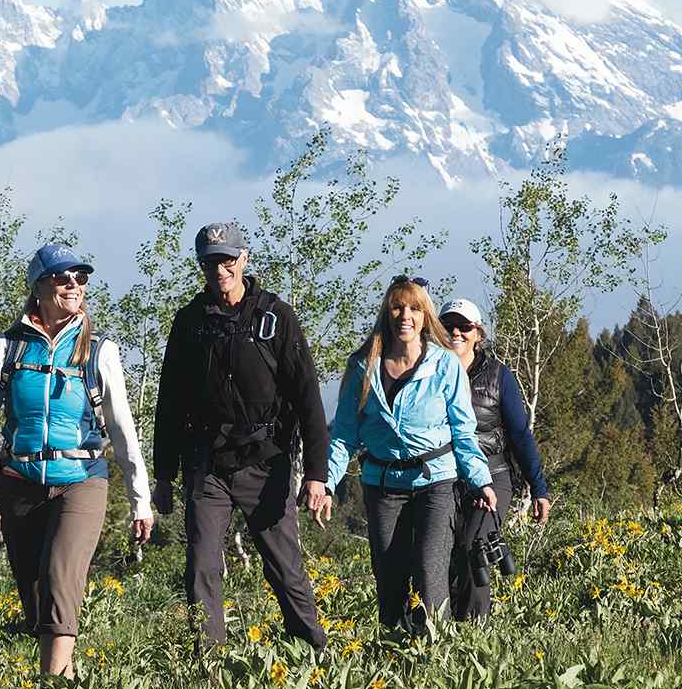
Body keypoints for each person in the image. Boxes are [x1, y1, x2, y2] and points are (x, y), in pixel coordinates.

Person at [0, 244, 153, 679]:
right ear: (38, 288)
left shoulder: (99, 351)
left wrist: (140, 499)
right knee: (37, 605)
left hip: (81, 480)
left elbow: (123, 430)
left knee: (59, 582)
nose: (73, 284)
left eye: (80, 277)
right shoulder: (7, 348)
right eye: (62, 277)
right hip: (18, 482)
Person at [152, 222, 331, 650]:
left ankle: (313, 653)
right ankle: (208, 665)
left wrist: (316, 474)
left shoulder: (275, 317)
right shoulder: (189, 322)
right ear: (201, 265)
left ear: (244, 259)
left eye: (227, 259)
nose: (220, 269)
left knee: (284, 566)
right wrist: (163, 476)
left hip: (264, 462)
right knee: (201, 565)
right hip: (206, 464)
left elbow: (308, 396)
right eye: (211, 261)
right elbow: (170, 403)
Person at [325, 277, 497, 631]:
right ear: (386, 314)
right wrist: (327, 483)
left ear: (425, 316)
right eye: (398, 307)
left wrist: (480, 480)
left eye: (415, 309)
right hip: (383, 484)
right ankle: (395, 657)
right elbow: (344, 434)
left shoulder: (445, 365)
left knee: (430, 573)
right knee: (389, 579)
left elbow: (463, 432)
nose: (406, 316)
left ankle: (438, 655)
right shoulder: (363, 366)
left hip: (435, 481)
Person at [439, 298, 551, 619]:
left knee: (474, 545)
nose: (456, 333)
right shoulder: (428, 373)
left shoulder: (499, 376)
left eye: (465, 327)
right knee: (441, 555)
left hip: (492, 477)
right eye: (449, 327)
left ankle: (476, 631)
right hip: (442, 479)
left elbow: (519, 435)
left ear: (479, 334)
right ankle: (445, 632)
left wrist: (539, 489)